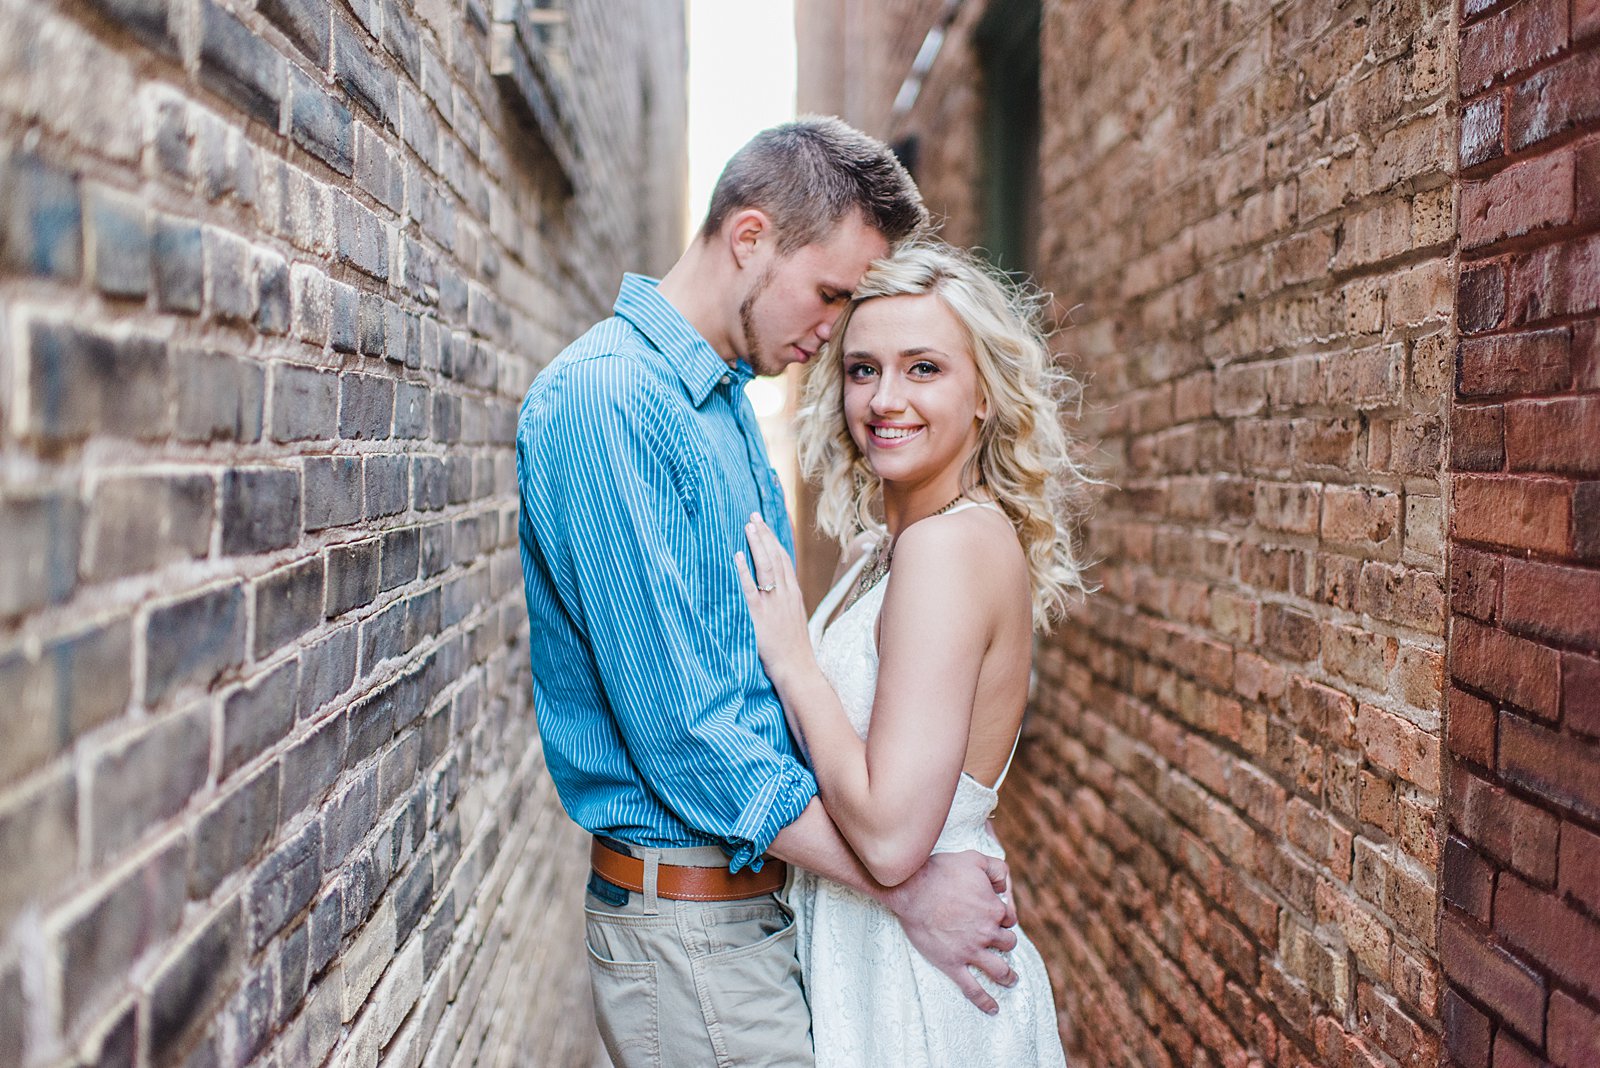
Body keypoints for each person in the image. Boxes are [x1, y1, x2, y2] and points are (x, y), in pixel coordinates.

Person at [517, 120, 1020, 1068]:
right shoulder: (606, 406)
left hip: (761, 914)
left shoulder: (724, 405)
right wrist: (902, 888)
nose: (834, 332)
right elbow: (687, 733)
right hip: (691, 928)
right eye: (831, 294)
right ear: (750, 239)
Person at [735, 240, 1089, 1065]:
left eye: (923, 368)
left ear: (984, 398)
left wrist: (792, 662)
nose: (884, 399)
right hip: (881, 949)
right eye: (863, 370)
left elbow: (894, 840)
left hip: (921, 981)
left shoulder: (947, 550)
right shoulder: (888, 551)